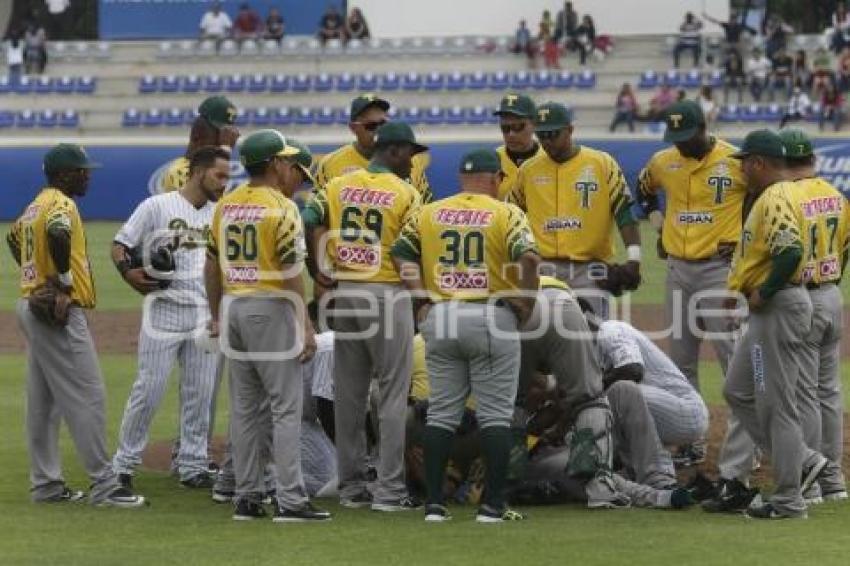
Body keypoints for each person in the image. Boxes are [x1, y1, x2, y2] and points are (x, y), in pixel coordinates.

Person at [391, 148, 541, 522]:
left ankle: (434, 505)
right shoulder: (506, 212)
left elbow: (400, 253)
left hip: (440, 317)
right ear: (496, 179)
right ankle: (491, 505)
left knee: (441, 412)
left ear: (462, 178)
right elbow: (530, 258)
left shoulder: (430, 211)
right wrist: (525, 302)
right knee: (495, 415)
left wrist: (420, 296)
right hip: (489, 314)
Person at [5, 143, 146, 508]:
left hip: (31, 304)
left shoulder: (36, 202)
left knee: (43, 402)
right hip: (56, 311)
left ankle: (46, 486)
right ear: (66, 174)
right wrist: (63, 283)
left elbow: (13, 236)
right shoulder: (62, 205)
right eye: (83, 171)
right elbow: (57, 232)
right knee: (89, 395)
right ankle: (105, 486)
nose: (88, 176)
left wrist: (34, 278)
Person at [205, 129, 330, 522]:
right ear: (275, 163)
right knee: (285, 406)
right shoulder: (281, 207)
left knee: (244, 409)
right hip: (269, 306)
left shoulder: (226, 204)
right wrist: (305, 325)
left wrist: (216, 312)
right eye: (286, 160)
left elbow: (211, 265)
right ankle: (291, 499)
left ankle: (246, 495)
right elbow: (292, 270)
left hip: (236, 306)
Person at [703, 129, 828, 520]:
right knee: (738, 390)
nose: (740, 170)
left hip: (779, 306)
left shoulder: (774, 195)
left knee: (776, 404)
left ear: (758, 163)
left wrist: (765, 291)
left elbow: (789, 251)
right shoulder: (782, 194)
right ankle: (803, 460)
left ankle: (790, 498)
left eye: (744, 163)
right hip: (772, 306)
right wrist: (738, 285)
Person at [303, 122, 426, 512]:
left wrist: (321, 268)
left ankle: (352, 487)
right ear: (392, 151)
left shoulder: (338, 185)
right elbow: (412, 249)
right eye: (410, 152)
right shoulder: (406, 192)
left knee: (350, 394)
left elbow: (309, 214)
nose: (414, 160)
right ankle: (389, 491)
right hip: (388, 294)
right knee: (391, 394)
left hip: (346, 294)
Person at [637, 100, 749, 468]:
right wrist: (658, 225)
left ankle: (750, 441)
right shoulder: (663, 161)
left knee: (734, 360)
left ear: (704, 126)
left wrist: (746, 240)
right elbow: (643, 191)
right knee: (681, 361)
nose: (681, 144)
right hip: (678, 271)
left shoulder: (735, 161)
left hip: (721, 270)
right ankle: (691, 440)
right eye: (676, 138)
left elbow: (763, 202)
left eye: (687, 136)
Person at [110, 147, 230, 489]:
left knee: (201, 393)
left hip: (205, 314)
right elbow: (120, 245)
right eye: (219, 175)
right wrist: (128, 273)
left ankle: (193, 464)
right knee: (149, 388)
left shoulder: (221, 212)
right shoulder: (156, 206)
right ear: (197, 171)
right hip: (163, 310)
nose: (224, 183)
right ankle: (123, 464)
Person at [508, 102, 641, 319]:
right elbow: (511, 217)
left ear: (570, 130)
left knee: (592, 338)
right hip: (543, 269)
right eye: (542, 135)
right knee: (539, 335)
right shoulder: (528, 170)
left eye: (553, 134)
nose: (547, 141)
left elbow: (624, 213)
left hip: (588, 270)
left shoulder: (602, 163)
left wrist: (634, 260)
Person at [778, 129, 848, 503]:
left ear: (782, 162)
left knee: (804, 393)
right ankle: (835, 478)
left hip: (802, 296)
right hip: (833, 293)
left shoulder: (786, 195)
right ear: (813, 159)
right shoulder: (836, 194)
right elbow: (846, 247)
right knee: (829, 391)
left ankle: (816, 478)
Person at [592, 317, 709, 451]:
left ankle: (658, 467)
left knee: (619, 393)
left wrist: (592, 388)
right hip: (664, 410)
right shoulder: (588, 352)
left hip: (688, 412)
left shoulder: (611, 330)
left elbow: (633, 370)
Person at [315, 94, 431, 203]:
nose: (379, 130)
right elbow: (318, 212)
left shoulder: (409, 160)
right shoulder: (330, 163)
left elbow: (425, 206)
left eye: (383, 124)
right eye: (371, 126)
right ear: (353, 128)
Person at [160, 96, 240, 193]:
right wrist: (225, 150)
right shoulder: (180, 171)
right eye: (220, 135)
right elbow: (207, 200)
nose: (221, 142)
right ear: (199, 133)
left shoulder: (209, 171)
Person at [493, 93, 542, 200]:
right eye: (505, 128)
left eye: (518, 126)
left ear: (534, 124)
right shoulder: (493, 161)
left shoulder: (548, 158)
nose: (511, 134)